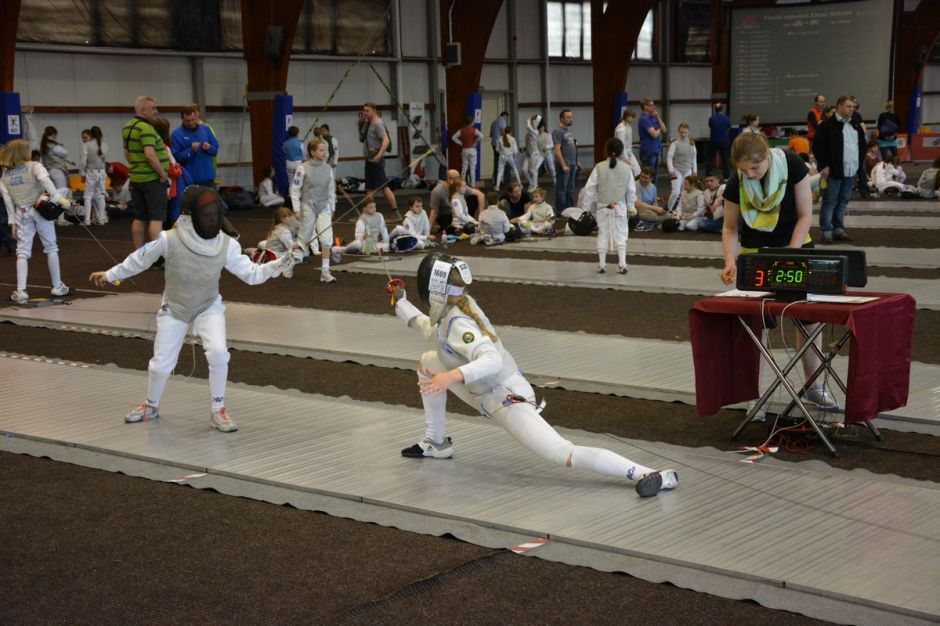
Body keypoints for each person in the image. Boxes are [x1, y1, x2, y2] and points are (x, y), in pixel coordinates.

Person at [389, 252, 678, 497]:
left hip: (505, 397)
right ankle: (436, 442)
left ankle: (649, 474)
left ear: (432, 288)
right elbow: (430, 330)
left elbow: (490, 359)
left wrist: (451, 377)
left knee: (562, 452)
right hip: (483, 391)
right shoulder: (455, 308)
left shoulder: (459, 322)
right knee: (428, 362)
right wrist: (401, 302)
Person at [89, 186, 291, 433]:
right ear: (191, 215)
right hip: (175, 306)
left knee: (218, 353)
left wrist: (282, 263)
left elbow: (252, 274)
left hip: (208, 306)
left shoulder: (226, 244)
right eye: (206, 214)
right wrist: (110, 274)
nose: (212, 219)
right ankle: (151, 405)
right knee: (161, 365)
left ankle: (218, 409)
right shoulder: (169, 239)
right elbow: (140, 259)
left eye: (214, 213)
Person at [719, 132, 837, 414]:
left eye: (755, 168)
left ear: (767, 157)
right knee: (756, 326)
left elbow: (805, 215)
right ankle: (755, 393)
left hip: (795, 247)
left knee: (808, 321)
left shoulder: (793, 165)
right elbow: (730, 227)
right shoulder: (737, 180)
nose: (750, 174)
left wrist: (791, 254)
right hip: (755, 254)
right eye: (744, 170)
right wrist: (729, 259)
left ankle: (813, 385)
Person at [1, 139, 75, 303]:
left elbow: (8, 201)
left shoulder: (5, 176)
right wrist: (58, 198)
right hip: (40, 210)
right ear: (23, 152)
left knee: (22, 252)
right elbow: (46, 181)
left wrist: (12, 223)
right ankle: (57, 287)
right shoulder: (35, 166)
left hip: (22, 214)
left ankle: (21, 291)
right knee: (51, 247)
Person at [813, 95, 865, 244]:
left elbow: (862, 146)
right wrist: (824, 165)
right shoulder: (827, 125)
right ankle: (826, 231)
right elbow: (817, 146)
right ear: (839, 107)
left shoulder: (855, 125)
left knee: (843, 201)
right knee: (830, 201)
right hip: (834, 171)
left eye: (853, 107)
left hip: (851, 170)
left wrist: (859, 166)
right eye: (848, 106)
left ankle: (838, 230)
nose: (852, 109)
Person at [581, 137, 635, 275]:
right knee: (621, 234)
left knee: (603, 233)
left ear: (606, 150)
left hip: (603, 207)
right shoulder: (627, 168)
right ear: (621, 151)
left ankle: (602, 265)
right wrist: (631, 208)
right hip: (620, 206)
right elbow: (631, 191)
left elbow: (590, 189)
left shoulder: (599, 167)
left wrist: (585, 209)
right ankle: (622, 264)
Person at [122, 95, 169, 250]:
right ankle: (156, 255)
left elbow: (127, 154)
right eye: (153, 108)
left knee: (139, 218)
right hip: (152, 180)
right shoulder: (146, 128)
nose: (157, 111)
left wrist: (137, 166)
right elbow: (150, 155)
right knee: (156, 218)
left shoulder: (128, 127)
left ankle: (139, 254)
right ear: (143, 110)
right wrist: (163, 174)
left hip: (136, 179)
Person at [290, 138, 337, 282]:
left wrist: (332, 207)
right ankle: (289, 264)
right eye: (321, 150)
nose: (325, 153)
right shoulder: (302, 168)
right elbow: (295, 190)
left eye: (325, 150)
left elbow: (331, 190)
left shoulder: (328, 169)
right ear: (312, 152)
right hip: (308, 205)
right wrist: (296, 209)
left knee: (327, 240)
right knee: (303, 239)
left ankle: (325, 272)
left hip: (324, 206)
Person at [360, 103, 400, 219]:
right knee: (369, 188)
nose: (365, 113)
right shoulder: (369, 123)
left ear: (374, 110)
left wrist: (379, 155)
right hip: (369, 160)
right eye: (364, 110)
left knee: (384, 187)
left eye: (367, 110)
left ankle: (396, 212)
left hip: (376, 160)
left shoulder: (377, 123)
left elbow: (386, 140)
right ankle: (368, 212)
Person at [171, 105, 219, 187]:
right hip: (189, 180)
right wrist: (191, 151)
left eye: (193, 120)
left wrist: (209, 148)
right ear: (182, 118)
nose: (191, 123)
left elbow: (215, 150)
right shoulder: (176, 135)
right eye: (187, 121)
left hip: (208, 178)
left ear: (196, 116)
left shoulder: (206, 129)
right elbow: (176, 157)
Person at [246, 205, 298, 278]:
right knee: (295, 255)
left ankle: (257, 252)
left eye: (290, 216)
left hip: (270, 250)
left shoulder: (277, 226)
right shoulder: (284, 231)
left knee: (262, 243)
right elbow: (291, 247)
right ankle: (286, 272)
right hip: (276, 254)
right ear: (282, 219)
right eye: (288, 216)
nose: (291, 218)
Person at [428, 169, 485, 233]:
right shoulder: (437, 191)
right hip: (445, 215)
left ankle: (463, 225)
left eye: (459, 177)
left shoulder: (460, 186)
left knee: (473, 198)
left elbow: (481, 195)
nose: (459, 180)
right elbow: (434, 212)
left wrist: (480, 217)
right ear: (449, 179)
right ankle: (451, 228)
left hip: (459, 213)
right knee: (457, 225)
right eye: (456, 178)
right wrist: (427, 231)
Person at [666, 122, 698, 211]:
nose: (683, 134)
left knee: (685, 192)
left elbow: (694, 158)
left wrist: (695, 171)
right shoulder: (675, 144)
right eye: (681, 132)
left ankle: (679, 210)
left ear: (688, 132)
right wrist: (671, 169)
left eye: (685, 132)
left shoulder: (692, 143)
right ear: (678, 132)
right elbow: (669, 158)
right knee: (675, 192)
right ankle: (668, 210)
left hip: (688, 170)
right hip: (677, 170)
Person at [79, 126, 108, 226]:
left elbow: (83, 161)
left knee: (87, 196)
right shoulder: (105, 145)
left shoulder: (87, 145)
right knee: (100, 195)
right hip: (102, 172)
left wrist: (82, 173)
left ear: (91, 134)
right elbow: (104, 161)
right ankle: (101, 219)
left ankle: (87, 220)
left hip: (91, 172)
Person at [552, 109, 578, 210]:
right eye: (568, 117)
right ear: (561, 119)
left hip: (572, 164)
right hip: (564, 164)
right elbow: (557, 150)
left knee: (570, 189)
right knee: (562, 190)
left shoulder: (568, 131)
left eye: (571, 117)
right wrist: (563, 165)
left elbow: (571, 148)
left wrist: (576, 162)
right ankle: (560, 211)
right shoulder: (558, 131)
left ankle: (569, 210)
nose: (571, 119)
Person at [632, 166, 671, 231]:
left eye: (646, 178)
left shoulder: (653, 187)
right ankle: (660, 222)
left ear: (651, 179)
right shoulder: (635, 185)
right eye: (641, 176)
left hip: (650, 210)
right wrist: (655, 209)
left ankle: (651, 222)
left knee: (667, 214)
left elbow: (654, 203)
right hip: (638, 210)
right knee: (648, 215)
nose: (642, 179)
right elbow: (638, 204)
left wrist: (658, 210)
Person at [638, 98, 667, 183]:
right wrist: (659, 130)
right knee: (647, 176)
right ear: (645, 107)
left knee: (654, 176)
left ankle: (652, 191)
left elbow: (664, 129)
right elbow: (654, 134)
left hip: (655, 150)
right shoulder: (644, 119)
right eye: (651, 105)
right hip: (648, 151)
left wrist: (658, 117)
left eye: (653, 105)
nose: (654, 107)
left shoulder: (653, 118)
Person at [451, 117, 483, 187]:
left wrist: (461, 143)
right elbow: (481, 136)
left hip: (464, 149)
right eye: (473, 121)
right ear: (471, 122)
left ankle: (462, 184)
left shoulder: (461, 130)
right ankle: (473, 184)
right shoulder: (475, 130)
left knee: (464, 167)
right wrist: (475, 142)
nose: (473, 123)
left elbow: (453, 137)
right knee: (472, 168)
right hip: (472, 150)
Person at [39, 126, 72, 190]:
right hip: (57, 171)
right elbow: (65, 153)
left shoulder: (43, 144)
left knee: (55, 192)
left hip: (49, 171)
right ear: (54, 134)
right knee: (62, 191)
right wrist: (58, 144)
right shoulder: (52, 145)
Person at [707, 102, 731, 179]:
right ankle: (726, 177)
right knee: (725, 160)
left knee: (711, 159)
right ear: (722, 109)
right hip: (724, 141)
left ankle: (708, 174)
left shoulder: (711, 119)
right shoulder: (727, 118)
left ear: (715, 110)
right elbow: (728, 128)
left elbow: (710, 126)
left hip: (714, 140)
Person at [614, 109, 641, 178]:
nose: (632, 119)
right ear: (626, 116)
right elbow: (621, 146)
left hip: (629, 153)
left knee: (637, 171)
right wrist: (625, 159)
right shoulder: (621, 129)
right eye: (631, 117)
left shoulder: (628, 126)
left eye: (633, 117)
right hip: (622, 155)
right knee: (627, 174)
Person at [494, 126, 521, 190]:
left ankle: (497, 186)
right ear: (511, 132)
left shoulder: (499, 139)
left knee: (500, 171)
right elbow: (515, 151)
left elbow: (497, 149)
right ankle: (520, 184)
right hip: (510, 156)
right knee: (514, 169)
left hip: (502, 156)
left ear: (505, 131)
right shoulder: (513, 139)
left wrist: (501, 150)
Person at [522, 114, 543, 192]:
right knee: (524, 170)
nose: (533, 123)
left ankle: (535, 185)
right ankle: (531, 182)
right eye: (532, 122)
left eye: (535, 122)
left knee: (532, 170)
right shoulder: (530, 132)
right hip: (528, 154)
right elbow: (528, 143)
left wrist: (528, 120)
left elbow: (528, 127)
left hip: (533, 154)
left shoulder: (535, 132)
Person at [488, 111, 509, 182]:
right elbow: (503, 132)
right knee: (503, 162)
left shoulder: (493, 122)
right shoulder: (502, 121)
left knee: (496, 161)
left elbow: (491, 135)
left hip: (494, 144)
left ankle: (494, 179)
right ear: (505, 116)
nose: (506, 119)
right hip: (500, 144)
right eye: (506, 118)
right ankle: (502, 180)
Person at [283, 126, 303, 195]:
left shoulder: (285, 143)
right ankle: (298, 197)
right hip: (298, 164)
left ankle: (291, 198)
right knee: (298, 181)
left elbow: (284, 151)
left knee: (291, 182)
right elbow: (303, 153)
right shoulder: (300, 143)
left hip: (289, 164)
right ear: (297, 133)